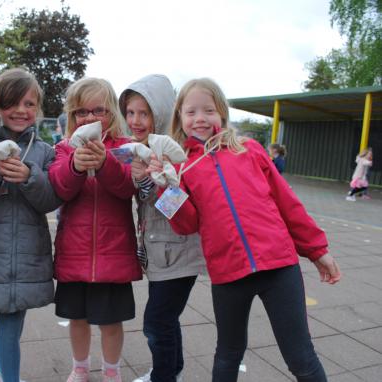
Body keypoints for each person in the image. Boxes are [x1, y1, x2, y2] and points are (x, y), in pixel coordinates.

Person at [150, 78, 341, 382]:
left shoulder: (249, 150)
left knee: (300, 357)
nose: (200, 118)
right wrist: (165, 188)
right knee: (228, 354)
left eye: (208, 110)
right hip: (228, 274)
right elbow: (186, 224)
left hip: (279, 267)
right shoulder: (183, 167)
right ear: (180, 119)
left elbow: (288, 204)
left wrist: (318, 251)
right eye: (191, 112)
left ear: (222, 113)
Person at [0, 68, 62, 382]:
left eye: (30, 104)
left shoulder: (46, 152)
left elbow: (50, 201)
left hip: (30, 253)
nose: (22, 110)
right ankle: (7, 375)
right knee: (8, 320)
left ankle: (0, 367)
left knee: (13, 318)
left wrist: (30, 177)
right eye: (13, 103)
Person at [49, 77, 142, 382]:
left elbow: (126, 186)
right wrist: (76, 166)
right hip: (74, 251)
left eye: (98, 110)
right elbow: (60, 188)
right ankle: (80, 367)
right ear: (72, 116)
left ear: (112, 113)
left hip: (113, 251)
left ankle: (112, 371)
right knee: (77, 318)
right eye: (81, 111)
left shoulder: (126, 147)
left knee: (111, 322)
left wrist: (104, 164)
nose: (89, 118)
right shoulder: (63, 148)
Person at [119, 74, 204, 382]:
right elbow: (145, 199)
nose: (136, 120)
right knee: (167, 319)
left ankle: (164, 376)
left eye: (144, 112)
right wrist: (142, 179)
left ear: (162, 112)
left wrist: (159, 180)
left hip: (180, 251)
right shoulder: (140, 148)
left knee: (156, 323)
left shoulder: (174, 151)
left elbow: (178, 209)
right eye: (130, 112)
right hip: (159, 251)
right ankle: (171, 370)